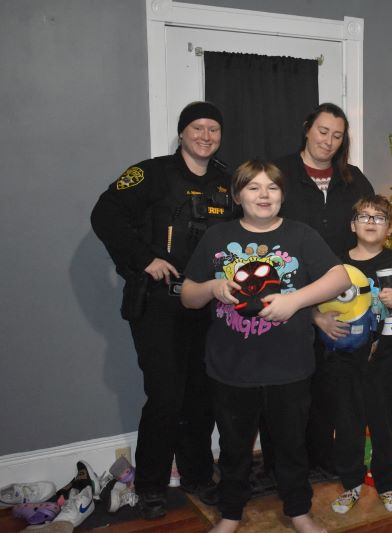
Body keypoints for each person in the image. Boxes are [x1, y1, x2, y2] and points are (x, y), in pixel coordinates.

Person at [180, 160, 350, 533]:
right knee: (234, 449)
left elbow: (339, 278)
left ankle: (299, 512)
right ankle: (230, 514)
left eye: (272, 187)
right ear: (237, 195)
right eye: (253, 187)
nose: (263, 195)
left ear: (282, 196)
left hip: (289, 368)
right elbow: (189, 296)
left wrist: (295, 300)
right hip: (230, 369)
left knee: (292, 448)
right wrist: (212, 287)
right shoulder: (217, 236)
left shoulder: (301, 235)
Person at [91, 101, 235, 519]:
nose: (205, 136)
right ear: (182, 133)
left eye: (213, 129)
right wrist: (143, 259)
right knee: (166, 396)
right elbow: (105, 214)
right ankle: (151, 486)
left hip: (208, 306)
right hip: (159, 305)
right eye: (197, 128)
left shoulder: (227, 181)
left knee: (202, 396)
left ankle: (198, 477)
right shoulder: (152, 174)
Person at [274, 102, 375, 474]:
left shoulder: (353, 179)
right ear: (307, 128)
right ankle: (283, 467)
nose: (328, 141)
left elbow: (369, 236)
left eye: (337, 135)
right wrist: (312, 313)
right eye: (322, 131)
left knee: (330, 389)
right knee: (290, 393)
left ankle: (322, 457)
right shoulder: (279, 173)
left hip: (341, 303)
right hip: (290, 303)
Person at [313, 194, 392, 515]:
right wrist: (320, 319)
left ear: (389, 228)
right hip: (344, 359)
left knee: (383, 425)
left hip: (385, 360)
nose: (371, 222)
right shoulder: (336, 264)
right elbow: (313, 300)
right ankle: (351, 484)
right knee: (347, 424)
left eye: (379, 218)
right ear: (353, 225)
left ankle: (386, 483)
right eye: (364, 216)